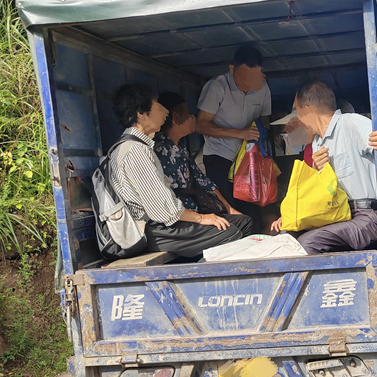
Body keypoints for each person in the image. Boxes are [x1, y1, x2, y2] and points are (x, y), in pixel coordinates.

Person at [108, 83, 252, 259]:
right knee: (231, 233)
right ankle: (202, 282)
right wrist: (201, 218)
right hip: (153, 230)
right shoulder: (135, 151)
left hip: (163, 226)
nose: (164, 111)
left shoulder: (140, 147)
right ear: (141, 114)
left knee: (242, 223)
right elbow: (162, 209)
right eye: (157, 106)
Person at [270, 81, 377, 254]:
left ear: (307, 109)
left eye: (298, 112)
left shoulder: (351, 123)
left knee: (308, 243)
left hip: (366, 217)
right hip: (337, 213)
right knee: (286, 235)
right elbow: (323, 192)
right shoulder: (317, 143)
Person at [153, 91, 253, 232]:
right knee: (237, 227)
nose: (192, 118)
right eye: (188, 114)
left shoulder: (181, 150)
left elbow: (203, 180)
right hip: (182, 219)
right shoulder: (159, 151)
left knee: (243, 220)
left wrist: (229, 208)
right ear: (175, 118)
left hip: (197, 211)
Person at [197, 45, 271, 209]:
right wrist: (240, 133)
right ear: (232, 68)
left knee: (253, 208)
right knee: (228, 210)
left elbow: (264, 119)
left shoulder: (263, 87)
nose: (248, 85)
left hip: (250, 157)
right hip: (219, 156)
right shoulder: (218, 86)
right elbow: (201, 125)